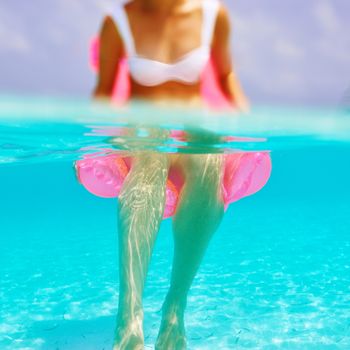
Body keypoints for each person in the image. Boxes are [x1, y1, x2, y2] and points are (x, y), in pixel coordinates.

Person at [93, 0, 249, 348]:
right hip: (144, 134)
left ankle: (175, 308)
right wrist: (95, 146)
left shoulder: (212, 14)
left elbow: (226, 78)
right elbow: (103, 93)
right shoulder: (120, 19)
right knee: (152, 145)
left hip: (192, 130)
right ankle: (129, 318)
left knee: (209, 148)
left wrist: (253, 127)